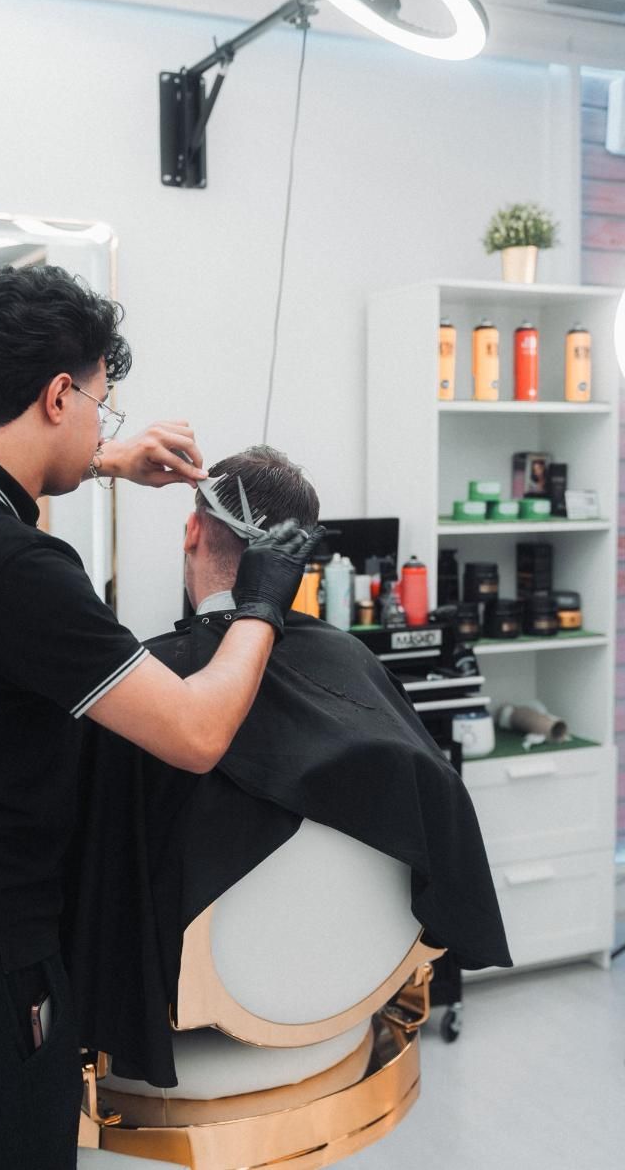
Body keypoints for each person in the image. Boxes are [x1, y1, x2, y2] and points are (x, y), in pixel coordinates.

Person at [0, 267, 323, 1170]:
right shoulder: (18, 571)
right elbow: (198, 732)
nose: (105, 425)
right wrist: (263, 602)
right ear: (58, 394)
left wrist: (104, 462)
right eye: (101, 405)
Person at [65, 445, 511, 1088]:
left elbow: (94, 884)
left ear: (193, 530)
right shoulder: (352, 661)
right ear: (301, 560)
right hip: (350, 991)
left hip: (188, 1015)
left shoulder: (142, 688)